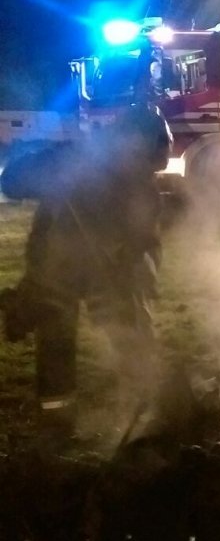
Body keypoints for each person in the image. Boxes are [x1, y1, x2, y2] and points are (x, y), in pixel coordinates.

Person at [0, 104, 172, 441]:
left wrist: (135, 279)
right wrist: (50, 167)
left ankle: (146, 403)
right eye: (145, 160)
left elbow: (144, 244)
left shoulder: (143, 186)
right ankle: (56, 422)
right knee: (56, 337)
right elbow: (11, 181)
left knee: (129, 336)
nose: (145, 170)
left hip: (107, 272)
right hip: (55, 267)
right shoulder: (74, 159)